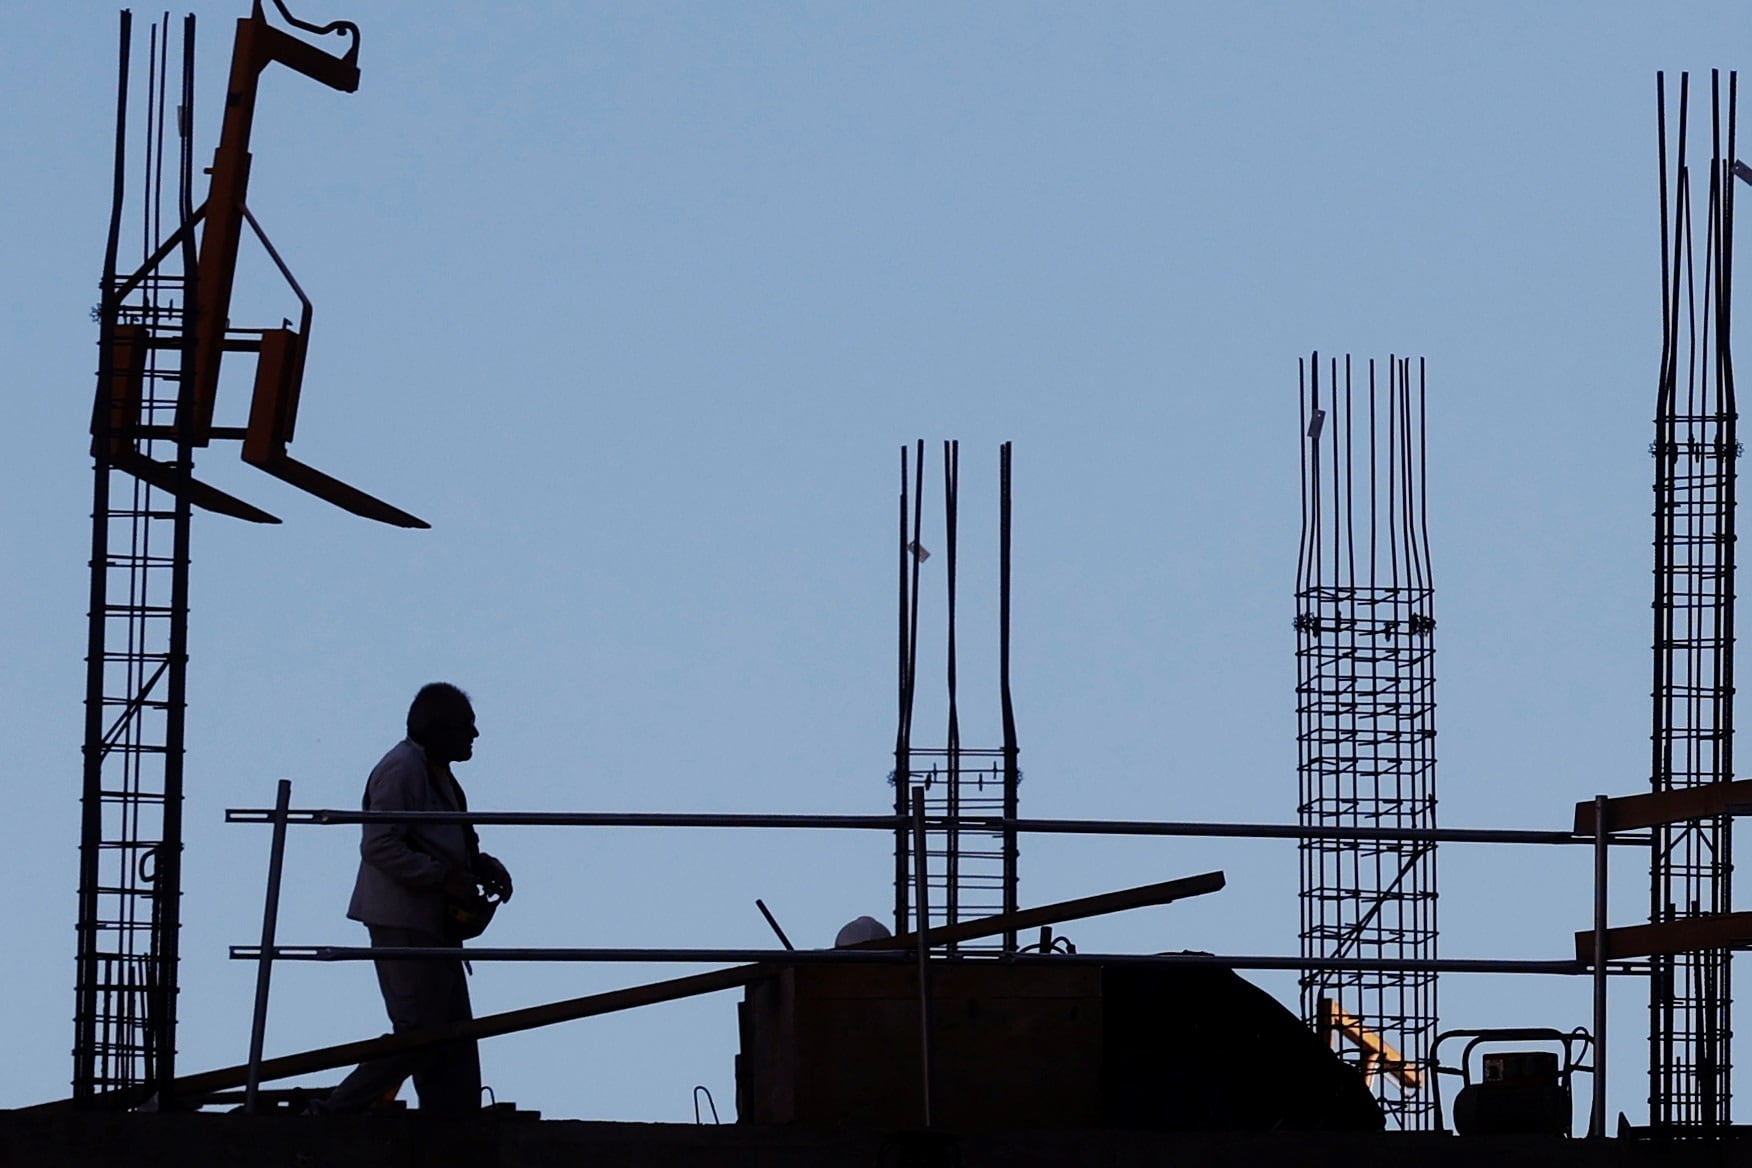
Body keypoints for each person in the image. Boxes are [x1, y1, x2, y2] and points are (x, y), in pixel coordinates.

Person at [318, 683, 513, 1114]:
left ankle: (453, 1115)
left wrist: (479, 863)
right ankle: (339, 1109)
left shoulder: (434, 771)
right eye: (466, 727)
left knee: (451, 1031)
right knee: (421, 1031)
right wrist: (444, 879)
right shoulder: (403, 769)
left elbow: (436, 836)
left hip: (429, 922)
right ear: (437, 729)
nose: (475, 736)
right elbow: (380, 844)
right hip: (404, 919)